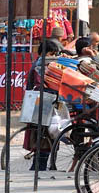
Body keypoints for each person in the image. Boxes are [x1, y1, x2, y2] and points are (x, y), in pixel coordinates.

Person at [23, 39, 60, 170]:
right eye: (51, 54)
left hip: (41, 103)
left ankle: (39, 166)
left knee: (44, 136)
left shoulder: (40, 64)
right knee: (43, 137)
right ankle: (38, 167)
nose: (53, 57)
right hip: (40, 104)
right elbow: (40, 85)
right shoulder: (40, 65)